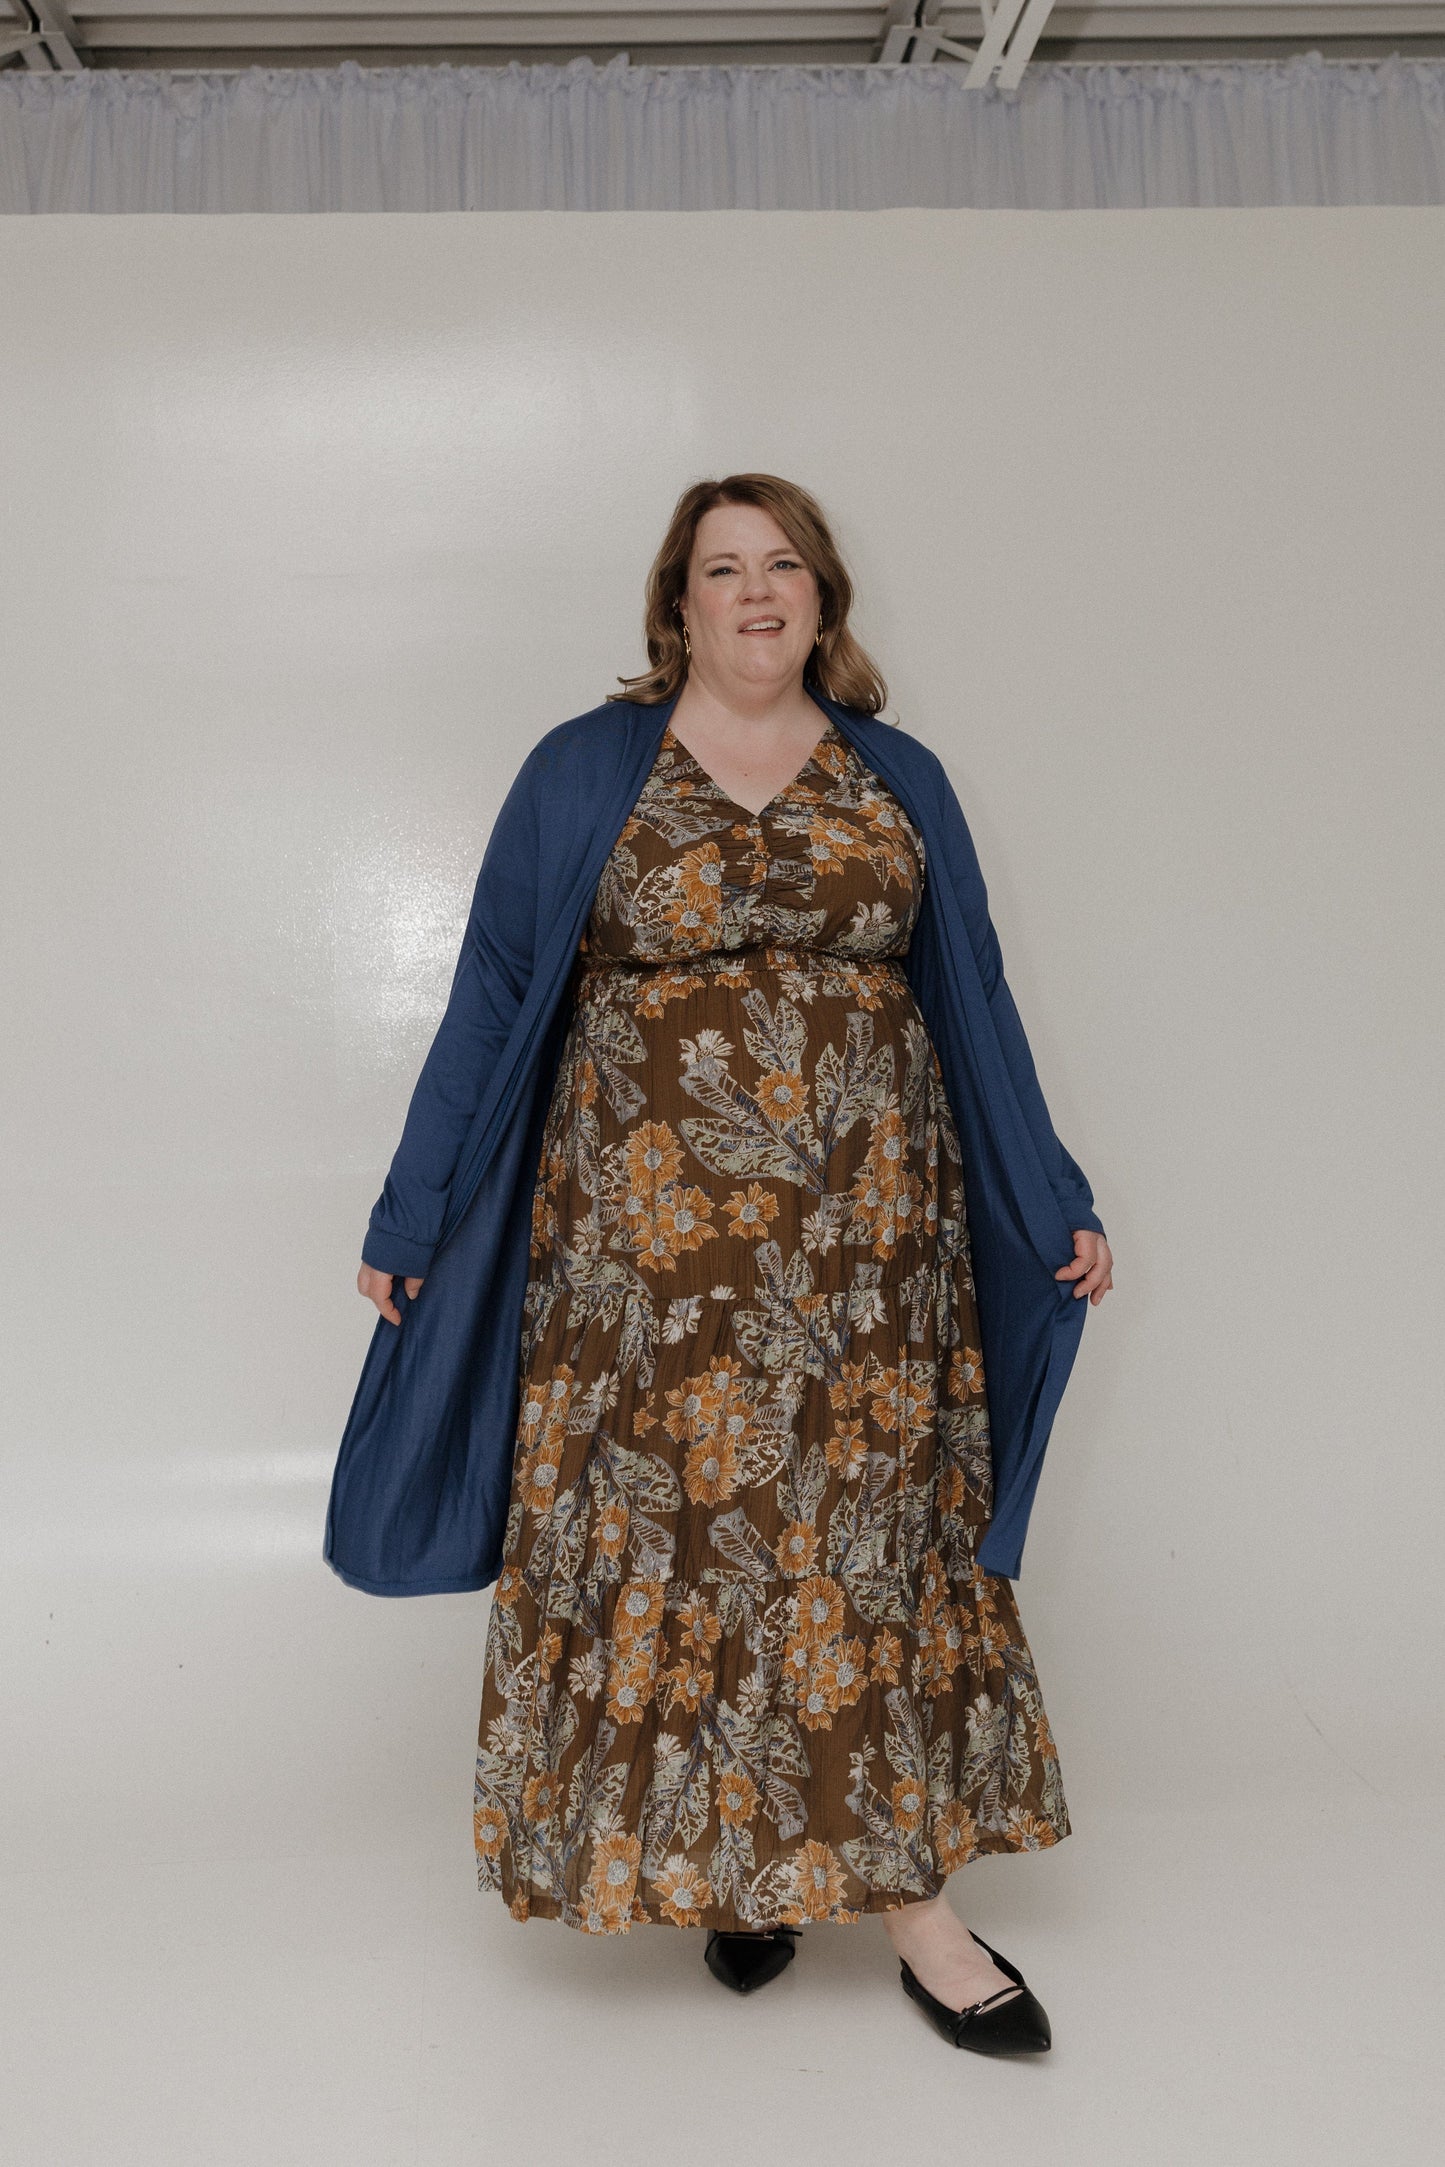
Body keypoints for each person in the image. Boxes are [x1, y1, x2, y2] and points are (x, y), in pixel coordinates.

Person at [347, 473, 1113, 2057]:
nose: (753, 593)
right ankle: (734, 1867)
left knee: (860, 1546)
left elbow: (970, 993)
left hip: (863, 1255)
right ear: (674, 604)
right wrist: (411, 1216)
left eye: (782, 567)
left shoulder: (897, 778)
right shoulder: (582, 770)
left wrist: (1049, 1199)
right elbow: (493, 999)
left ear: (822, 598)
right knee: (686, 1543)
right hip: (645, 1261)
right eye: (721, 569)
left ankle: (914, 1906)